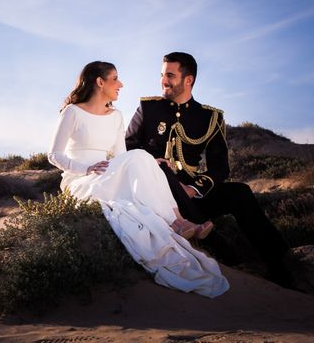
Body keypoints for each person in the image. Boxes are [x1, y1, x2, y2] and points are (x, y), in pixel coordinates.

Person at [47, 61, 229, 298]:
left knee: (145, 159)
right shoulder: (72, 112)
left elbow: (123, 157)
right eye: (115, 79)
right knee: (140, 157)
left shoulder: (116, 116)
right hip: (81, 180)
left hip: (108, 173)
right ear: (100, 82)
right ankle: (178, 221)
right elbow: (54, 155)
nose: (121, 84)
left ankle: (178, 220)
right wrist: (86, 168)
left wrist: (148, 164)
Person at [125, 52, 294, 287]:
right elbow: (128, 147)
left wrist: (194, 188)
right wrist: (151, 162)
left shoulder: (209, 117)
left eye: (170, 75)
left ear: (188, 80)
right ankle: (227, 256)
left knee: (240, 193)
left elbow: (220, 166)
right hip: (156, 194)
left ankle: (281, 266)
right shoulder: (148, 108)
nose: (164, 80)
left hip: (192, 195)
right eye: (162, 74)